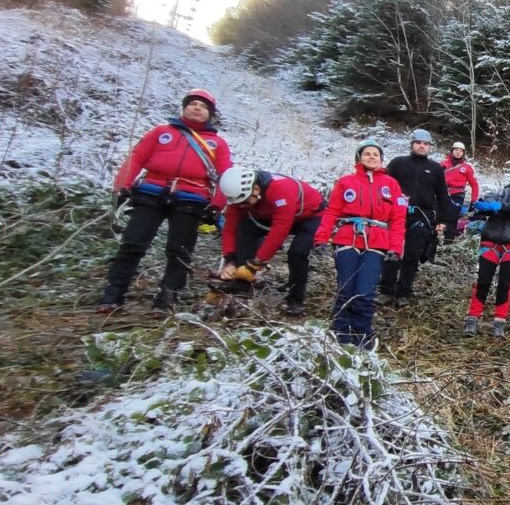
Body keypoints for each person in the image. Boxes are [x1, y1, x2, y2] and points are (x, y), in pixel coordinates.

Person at [97, 88, 232, 313]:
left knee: (180, 251)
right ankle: (113, 295)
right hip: (151, 192)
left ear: (210, 114)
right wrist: (122, 186)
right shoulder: (161, 133)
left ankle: (167, 299)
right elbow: (137, 157)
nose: (197, 108)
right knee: (132, 244)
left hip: (192, 198)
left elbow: (225, 175)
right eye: (192, 104)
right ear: (184, 108)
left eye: (203, 106)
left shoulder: (217, 144)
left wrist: (217, 205)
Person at [313, 140, 407, 349]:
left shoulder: (391, 185)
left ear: (382, 160)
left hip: (377, 241)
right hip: (348, 238)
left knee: (365, 292)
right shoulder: (345, 182)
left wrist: (396, 247)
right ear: (359, 158)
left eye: (376, 154)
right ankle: (339, 334)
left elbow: (398, 219)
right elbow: (332, 212)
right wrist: (321, 238)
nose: (372, 157)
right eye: (367, 154)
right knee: (346, 289)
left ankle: (361, 335)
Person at [216, 167, 327, 316]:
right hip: (270, 214)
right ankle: (242, 285)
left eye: (246, 202)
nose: (242, 206)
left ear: (256, 189)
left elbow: (279, 231)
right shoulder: (238, 196)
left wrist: (256, 262)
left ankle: (295, 299)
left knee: (297, 252)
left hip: (310, 216)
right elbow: (230, 228)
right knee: (244, 229)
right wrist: (230, 260)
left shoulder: (280, 190)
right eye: (239, 204)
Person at [378, 129, 455, 307]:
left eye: (425, 144)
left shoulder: (435, 168)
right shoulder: (398, 163)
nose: (422, 146)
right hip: (396, 215)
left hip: (422, 217)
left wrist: (444, 221)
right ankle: (386, 291)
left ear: (429, 147)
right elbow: (383, 187)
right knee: (392, 253)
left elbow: (442, 195)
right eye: (418, 143)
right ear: (412, 144)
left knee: (412, 256)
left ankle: (403, 292)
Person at [463, 167, 510, 337]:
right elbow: (484, 204)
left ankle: (499, 321)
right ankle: (472, 318)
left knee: (505, 284)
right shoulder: (498, 192)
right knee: (483, 281)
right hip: (490, 241)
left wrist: (500, 207)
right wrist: (486, 206)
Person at [440, 141, 480, 243]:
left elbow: (474, 185)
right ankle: (433, 241)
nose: (458, 152)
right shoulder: (442, 164)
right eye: (456, 150)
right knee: (438, 216)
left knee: (452, 218)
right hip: (442, 193)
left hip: (457, 194)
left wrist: (473, 201)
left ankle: (448, 243)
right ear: (452, 151)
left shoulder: (467, 167)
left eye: (461, 151)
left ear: (463, 153)